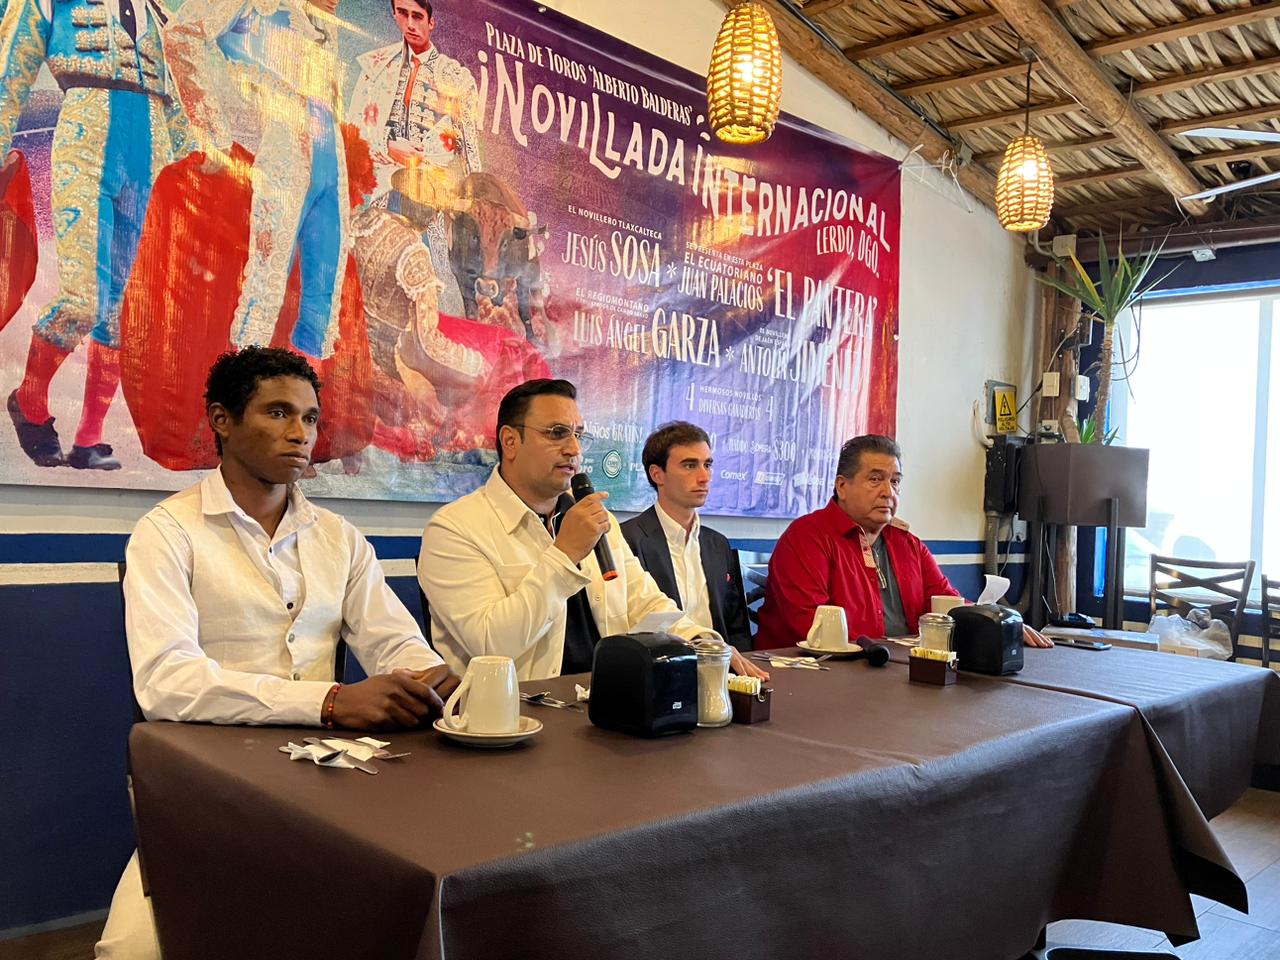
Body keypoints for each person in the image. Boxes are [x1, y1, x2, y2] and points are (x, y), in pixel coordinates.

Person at [96, 346, 457, 959]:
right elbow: (166, 682)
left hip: (333, 776)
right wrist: (331, 701)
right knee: (130, 952)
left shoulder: (339, 538)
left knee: (403, 911)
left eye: (310, 418)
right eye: (279, 413)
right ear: (222, 419)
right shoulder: (168, 532)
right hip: (209, 782)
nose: (300, 434)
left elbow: (394, 641)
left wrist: (423, 677)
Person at [418, 379, 767, 681]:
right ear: (510, 441)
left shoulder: (598, 519)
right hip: (514, 717)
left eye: (578, 435)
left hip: (603, 705)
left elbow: (645, 602)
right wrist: (564, 553)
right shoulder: (454, 529)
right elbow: (491, 645)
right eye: (557, 433)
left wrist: (700, 642)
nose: (574, 449)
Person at [1, 0, 190, 470]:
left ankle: (89, 438)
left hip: (153, 157)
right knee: (83, 298)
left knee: (124, 309)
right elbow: (9, 77)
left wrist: (196, 170)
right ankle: (30, 398)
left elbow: (177, 104)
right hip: (84, 139)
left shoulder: (158, 12)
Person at [164, 0, 350, 358]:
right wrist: (216, 130)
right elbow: (181, 34)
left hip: (330, 148)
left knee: (324, 288)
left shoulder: (321, 20)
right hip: (281, 141)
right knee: (266, 277)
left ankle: (306, 383)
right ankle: (245, 375)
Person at [757, 434, 1053, 650]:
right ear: (842, 486)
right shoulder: (806, 538)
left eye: (895, 481)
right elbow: (813, 628)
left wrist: (996, 623)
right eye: (875, 479)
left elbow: (948, 604)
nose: (888, 491)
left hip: (897, 672)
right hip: (817, 676)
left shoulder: (908, 545)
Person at [621, 421, 751, 651]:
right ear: (657, 474)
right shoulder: (627, 540)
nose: (704, 477)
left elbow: (736, 627)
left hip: (720, 663)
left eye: (707, 464)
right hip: (659, 665)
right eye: (690, 465)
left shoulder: (718, 544)